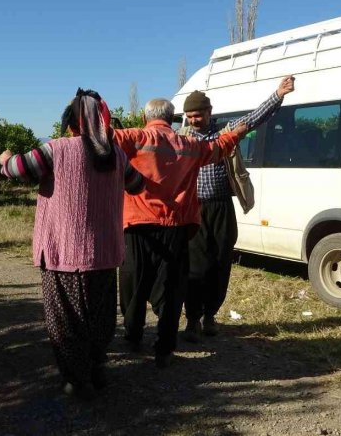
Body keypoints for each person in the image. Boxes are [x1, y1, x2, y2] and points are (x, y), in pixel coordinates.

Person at [0, 89, 144, 400]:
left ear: (70, 124)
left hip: (64, 253)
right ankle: (96, 368)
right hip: (104, 254)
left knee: (65, 319)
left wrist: (5, 160)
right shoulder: (115, 155)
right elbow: (138, 184)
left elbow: (18, 170)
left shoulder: (57, 150)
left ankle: (75, 380)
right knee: (100, 317)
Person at [111, 97, 249, 368]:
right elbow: (218, 148)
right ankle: (164, 347)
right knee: (171, 287)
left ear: (144, 118)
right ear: (173, 118)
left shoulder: (133, 137)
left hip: (138, 225)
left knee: (134, 283)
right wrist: (236, 133)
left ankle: (133, 336)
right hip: (175, 227)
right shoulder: (188, 145)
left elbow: (100, 140)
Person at [181, 76, 295, 342]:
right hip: (193, 211)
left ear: (209, 113)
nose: (194, 120)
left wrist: (278, 95)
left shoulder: (225, 132)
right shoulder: (181, 139)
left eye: (198, 115)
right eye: (189, 116)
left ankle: (210, 316)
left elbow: (254, 118)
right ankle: (192, 320)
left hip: (222, 208)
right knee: (195, 267)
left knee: (220, 263)